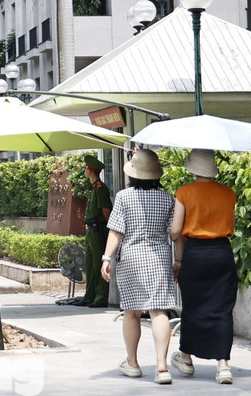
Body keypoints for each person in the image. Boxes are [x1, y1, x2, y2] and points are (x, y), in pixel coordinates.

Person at [101, 148, 178, 384]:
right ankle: (162, 367)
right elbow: (174, 233)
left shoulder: (124, 197)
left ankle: (132, 363)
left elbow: (116, 230)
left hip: (131, 258)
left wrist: (106, 257)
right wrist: (178, 260)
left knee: (132, 312)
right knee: (159, 311)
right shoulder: (168, 198)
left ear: (133, 174)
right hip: (160, 258)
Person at [168, 149, 238, 385]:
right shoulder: (229, 193)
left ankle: (186, 358)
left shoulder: (184, 192)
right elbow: (232, 224)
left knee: (193, 306)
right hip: (222, 252)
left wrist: (174, 243)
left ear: (192, 168)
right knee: (222, 307)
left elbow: (176, 231)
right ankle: (223, 365)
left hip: (195, 253)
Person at [78, 153, 113, 308]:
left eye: (85, 169)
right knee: (90, 264)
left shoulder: (100, 188)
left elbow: (106, 211)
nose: (84, 172)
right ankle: (89, 295)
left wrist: (108, 231)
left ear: (90, 170)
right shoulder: (93, 188)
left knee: (99, 263)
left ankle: (100, 297)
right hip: (91, 231)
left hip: (98, 230)